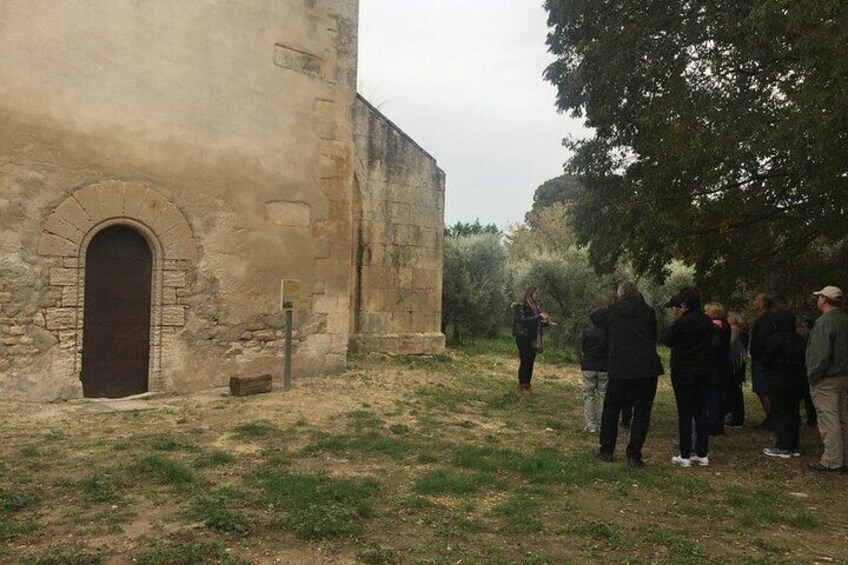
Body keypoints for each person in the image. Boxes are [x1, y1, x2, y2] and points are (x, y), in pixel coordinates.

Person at [596, 281, 664, 467]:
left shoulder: (612, 311)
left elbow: (595, 316)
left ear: (621, 294)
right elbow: (654, 336)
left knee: (611, 410)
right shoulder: (648, 312)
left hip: (620, 367)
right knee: (642, 412)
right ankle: (634, 454)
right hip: (646, 368)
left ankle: (606, 450)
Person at [663, 288, 713, 467]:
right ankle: (702, 453)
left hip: (684, 371)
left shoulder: (682, 323)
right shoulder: (708, 322)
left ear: (684, 305)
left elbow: (667, 340)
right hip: (704, 370)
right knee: (701, 411)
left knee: (685, 411)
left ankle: (685, 454)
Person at [805, 286, 848, 473]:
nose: (818, 300)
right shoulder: (844, 319)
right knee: (841, 419)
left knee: (828, 420)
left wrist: (813, 374)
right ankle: (843, 458)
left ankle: (832, 461)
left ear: (824, 300)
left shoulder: (825, 322)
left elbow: (820, 354)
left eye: (819, 296)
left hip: (827, 378)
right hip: (842, 376)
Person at [761, 310, 807, 459]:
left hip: (778, 379)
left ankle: (783, 445)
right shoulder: (799, 339)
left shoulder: (774, 339)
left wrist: (767, 371)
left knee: (780, 412)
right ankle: (794, 445)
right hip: (796, 379)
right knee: (793, 412)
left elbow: (766, 358)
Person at [512, 286, 550, 394]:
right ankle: (522, 386)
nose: (538, 295)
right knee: (525, 360)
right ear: (530, 294)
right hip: (523, 336)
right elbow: (524, 320)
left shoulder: (536, 307)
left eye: (539, 293)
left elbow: (535, 322)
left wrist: (546, 323)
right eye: (536, 293)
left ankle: (528, 385)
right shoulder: (522, 306)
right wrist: (539, 317)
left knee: (531, 361)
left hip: (533, 337)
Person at [750, 293, 780, 429]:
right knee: (762, 388)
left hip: (762, 360)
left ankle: (771, 416)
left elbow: (763, 340)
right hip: (761, 358)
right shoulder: (764, 319)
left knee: (763, 388)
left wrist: (760, 355)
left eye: (756, 300)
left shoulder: (765, 320)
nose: (754, 302)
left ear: (762, 304)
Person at [704, 302, 732, 436]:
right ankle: (718, 425)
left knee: (712, 396)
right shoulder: (725, 325)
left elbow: (714, 346)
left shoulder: (714, 327)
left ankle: (712, 425)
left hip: (713, 366)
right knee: (720, 396)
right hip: (723, 365)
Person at [580, 309, 608, 433]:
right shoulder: (609, 334)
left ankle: (591, 425)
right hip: (604, 367)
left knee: (589, 396)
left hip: (589, 367)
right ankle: (604, 424)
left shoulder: (587, 333)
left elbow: (583, 348)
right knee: (603, 395)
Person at [725, 311, 749, 427]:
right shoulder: (743, 332)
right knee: (736, 391)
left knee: (733, 391)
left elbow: (729, 345)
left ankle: (735, 417)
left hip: (734, 364)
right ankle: (736, 416)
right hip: (740, 364)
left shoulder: (734, 330)